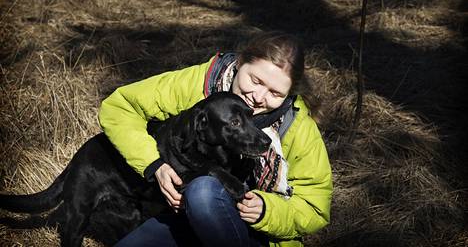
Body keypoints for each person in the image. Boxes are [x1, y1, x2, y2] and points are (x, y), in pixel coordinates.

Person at [98, 31, 333, 247]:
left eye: (275, 93)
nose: (258, 97)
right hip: (185, 216)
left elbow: (315, 208)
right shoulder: (202, 83)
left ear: (290, 94)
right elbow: (120, 108)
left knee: (202, 191)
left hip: (257, 234)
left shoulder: (298, 127)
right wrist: (153, 164)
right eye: (256, 80)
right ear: (240, 63)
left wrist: (266, 211)